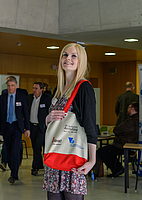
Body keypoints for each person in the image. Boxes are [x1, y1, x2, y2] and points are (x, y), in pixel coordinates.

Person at [43, 43, 97, 200]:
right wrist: (48, 118)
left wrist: (92, 160)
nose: (68, 59)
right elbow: (50, 123)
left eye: (74, 56)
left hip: (72, 158)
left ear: (81, 61)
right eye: (65, 55)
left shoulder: (84, 88)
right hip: (55, 157)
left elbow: (90, 125)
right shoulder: (58, 89)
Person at [0, 76, 30, 184]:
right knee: (8, 151)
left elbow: (26, 114)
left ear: (16, 86)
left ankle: (14, 174)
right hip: (6, 127)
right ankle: (12, 167)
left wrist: (27, 128)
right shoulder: (1, 98)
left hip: (16, 127)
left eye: (12, 86)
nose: (10, 88)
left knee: (15, 150)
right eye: (9, 86)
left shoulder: (22, 97)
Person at [97, 102, 139, 178]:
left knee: (101, 151)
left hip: (123, 146)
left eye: (129, 107)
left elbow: (117, 130)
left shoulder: (131, 122)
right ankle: (117, 168)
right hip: (130, 146)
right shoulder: (137, 120)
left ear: (133, 108)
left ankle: (117, 169)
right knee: (109, 150)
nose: (127, 109)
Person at [27, 82, 51, 176]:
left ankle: (35, 167)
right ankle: (39, 165)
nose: (34, 90)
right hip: (32, 126)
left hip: (42, 127)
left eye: (36, 88)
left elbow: (50, 112)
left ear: (42, 89)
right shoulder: (29, 98)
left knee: (38, 146)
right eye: (33, 88)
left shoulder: (47, 99)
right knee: (35, 147)